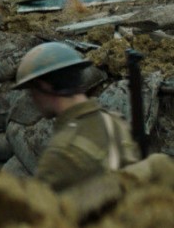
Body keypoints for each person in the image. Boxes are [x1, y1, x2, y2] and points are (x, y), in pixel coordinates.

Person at [13, 42, 140, 192]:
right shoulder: (116, 123)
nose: (32, 98)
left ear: (44, 86)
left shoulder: (60, 155)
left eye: (32, 91)